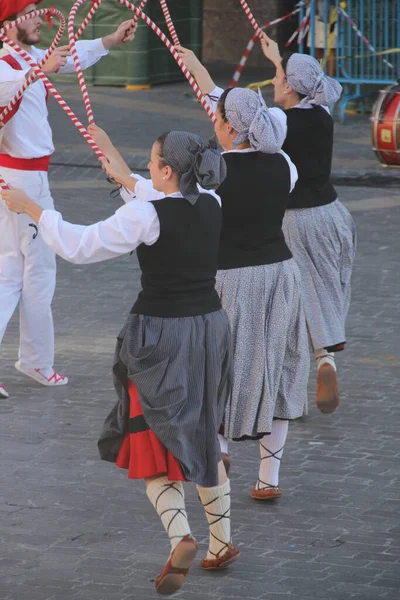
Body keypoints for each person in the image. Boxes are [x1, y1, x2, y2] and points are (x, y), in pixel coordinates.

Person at [3, 126, 240, 593]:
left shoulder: (145, 219)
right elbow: (151, 191)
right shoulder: (210, 201)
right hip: (210, 329)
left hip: (162, 334)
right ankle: (222, 542)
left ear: (168, 171)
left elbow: (80, 244)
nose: (148, 169)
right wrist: (112, 154)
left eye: (152, 162)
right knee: (201, 430)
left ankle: (181, 536)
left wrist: (33, 209)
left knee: (150, 438)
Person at [176, 47, 310, 501]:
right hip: (282, 274)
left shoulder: (215, 173)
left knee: (219, 366)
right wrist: (195, 66)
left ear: (231, 128)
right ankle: (268, 478)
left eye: (218, 120)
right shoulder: (283, 163)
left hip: (232, 279)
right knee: (278, 364)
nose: (213, 124)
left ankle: (218, 450)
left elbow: (176, 203)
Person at [0, 0, 136, 398]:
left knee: (12, 271)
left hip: (24, 178)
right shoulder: (9, 66)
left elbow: (69, 57)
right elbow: (9, 87)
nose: (41, 18)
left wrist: (110, 40)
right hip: (23, 180)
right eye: (30, 13)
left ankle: (36, 360)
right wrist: (36, 72)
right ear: (7, 26)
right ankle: (37, 361)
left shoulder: (27, 58)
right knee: (36, 270)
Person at [260, 33, 356, 414]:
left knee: (294, 302)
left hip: (297, 219)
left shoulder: (279, 121)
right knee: (326, 291)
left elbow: (246, 118)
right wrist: (277, 60)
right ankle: (325, 361)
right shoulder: (322, 110)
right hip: (335, 215)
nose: (273, 82)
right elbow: (299, 84)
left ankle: (295, 393)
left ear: (291, 88)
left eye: (278, 79)